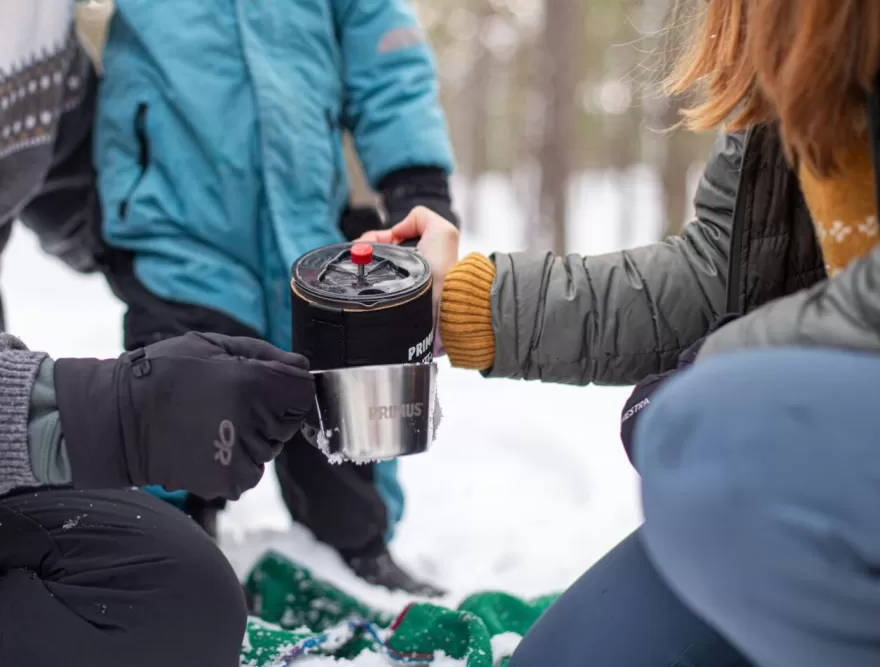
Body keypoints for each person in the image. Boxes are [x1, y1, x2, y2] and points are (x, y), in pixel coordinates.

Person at [361, 1, 880, 663]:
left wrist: (716, 377)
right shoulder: (782, 24)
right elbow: (717, 272)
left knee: (700, 429)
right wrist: (458, 304)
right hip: (831, 455)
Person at [0, 3, 315, 665]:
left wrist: (314, 264)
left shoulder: (34, 22)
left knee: (175, 600)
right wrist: (84, 412)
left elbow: (115, 203)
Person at [92, 0, 456, 595]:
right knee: (179, 394)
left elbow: (385, 50)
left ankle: (356, 546)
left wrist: (418, 182)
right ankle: (168, 553)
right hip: (180, 225)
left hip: (308, 216)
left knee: (345, 400)